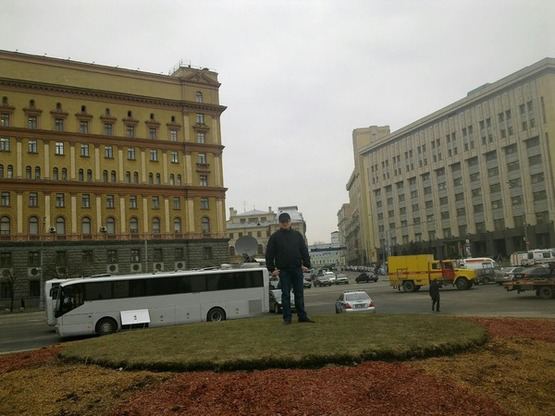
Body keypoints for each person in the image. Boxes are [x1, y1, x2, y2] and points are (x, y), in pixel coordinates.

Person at [265, 212, 314, 325]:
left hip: (297, 269)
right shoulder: (275, 237)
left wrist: (306, 265)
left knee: (299, 294)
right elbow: (269, 254)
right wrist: (272, 269)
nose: (285, 224)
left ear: (290, 221)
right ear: (279, 223)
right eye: (283, 222)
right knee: (285, 295)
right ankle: (287, 318)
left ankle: (302, 316)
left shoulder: (297, 235)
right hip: (283, 271)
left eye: (286, 222)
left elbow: (304, 250)